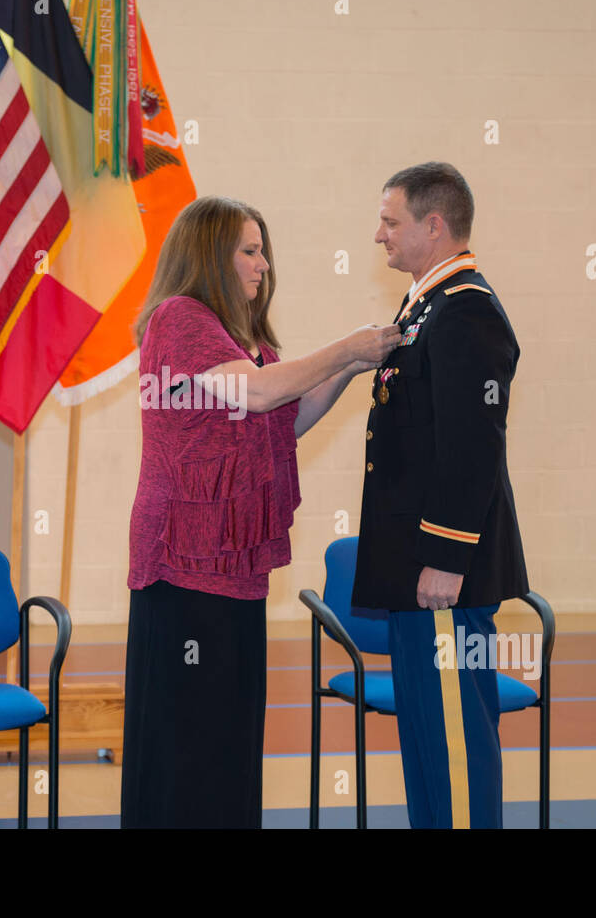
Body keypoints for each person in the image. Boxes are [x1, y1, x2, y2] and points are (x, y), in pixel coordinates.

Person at [122, 195, 400, 828]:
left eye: (262, 250)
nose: (263, 265)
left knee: (228, 725)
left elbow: (286, 416)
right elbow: (256, 390)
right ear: (211, 256)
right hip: (185, 559)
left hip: (232, 559)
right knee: (188, 731)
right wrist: (343, 347)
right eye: (250, 251)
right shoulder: (180, 318)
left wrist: (357, 363)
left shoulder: (238, 337)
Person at [350, 162, 529, 828]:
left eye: (390, 221)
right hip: (416, 573)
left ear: (433, 225)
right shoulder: (426, 307)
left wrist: (448, 557)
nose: (378, 235)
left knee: (455, 743)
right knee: (427, 740)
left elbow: (472, 444)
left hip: (442, 575)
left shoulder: (466, 311)